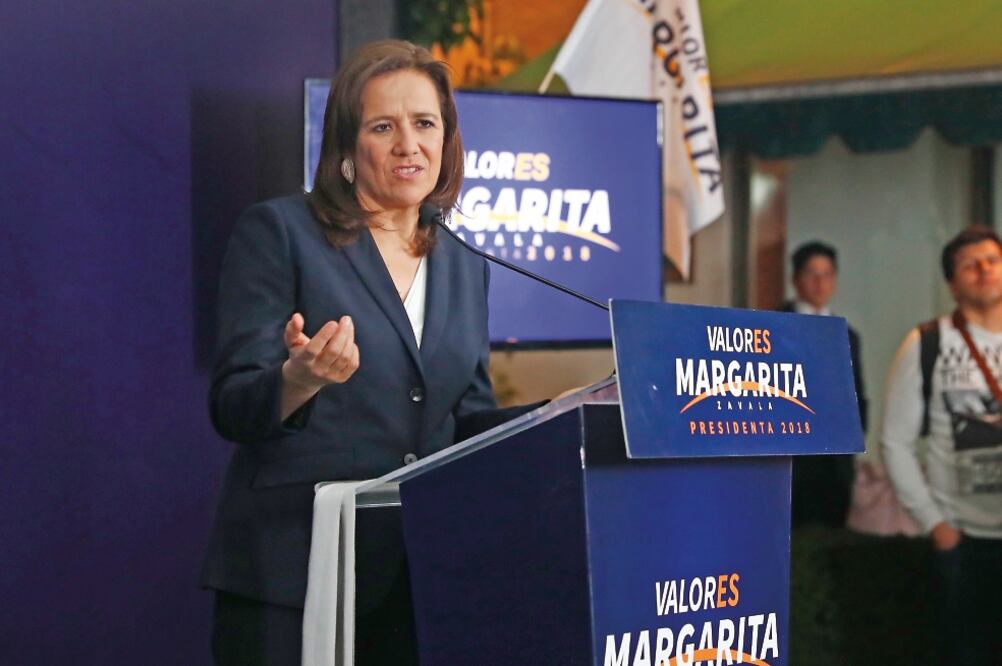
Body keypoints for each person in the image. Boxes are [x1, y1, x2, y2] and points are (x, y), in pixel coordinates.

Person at [201, 40, 541, 665]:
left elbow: (466, 420)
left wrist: (565, 411)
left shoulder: (463, 263)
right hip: (292, 573)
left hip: (416, 576)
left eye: (425, 124)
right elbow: (232, 405)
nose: (409, 144)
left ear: (447, 141)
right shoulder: (281, 232)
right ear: (347, 149)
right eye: (384, 127)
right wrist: (299, 379)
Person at [882, 226, 1002, 665]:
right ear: (951, 284)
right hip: (961, 538)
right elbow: (895, 442)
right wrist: (936, 525)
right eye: (970, 265)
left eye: (992, 260)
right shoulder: (927, 343)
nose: (984, 270)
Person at [780, 241, 867, 527]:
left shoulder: (848, 335)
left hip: (835, 462)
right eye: (812, 274)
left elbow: (857, 396)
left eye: (827, 274)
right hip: (789, 459)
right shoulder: (772, 327)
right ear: (795, 279)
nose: (820, 283)